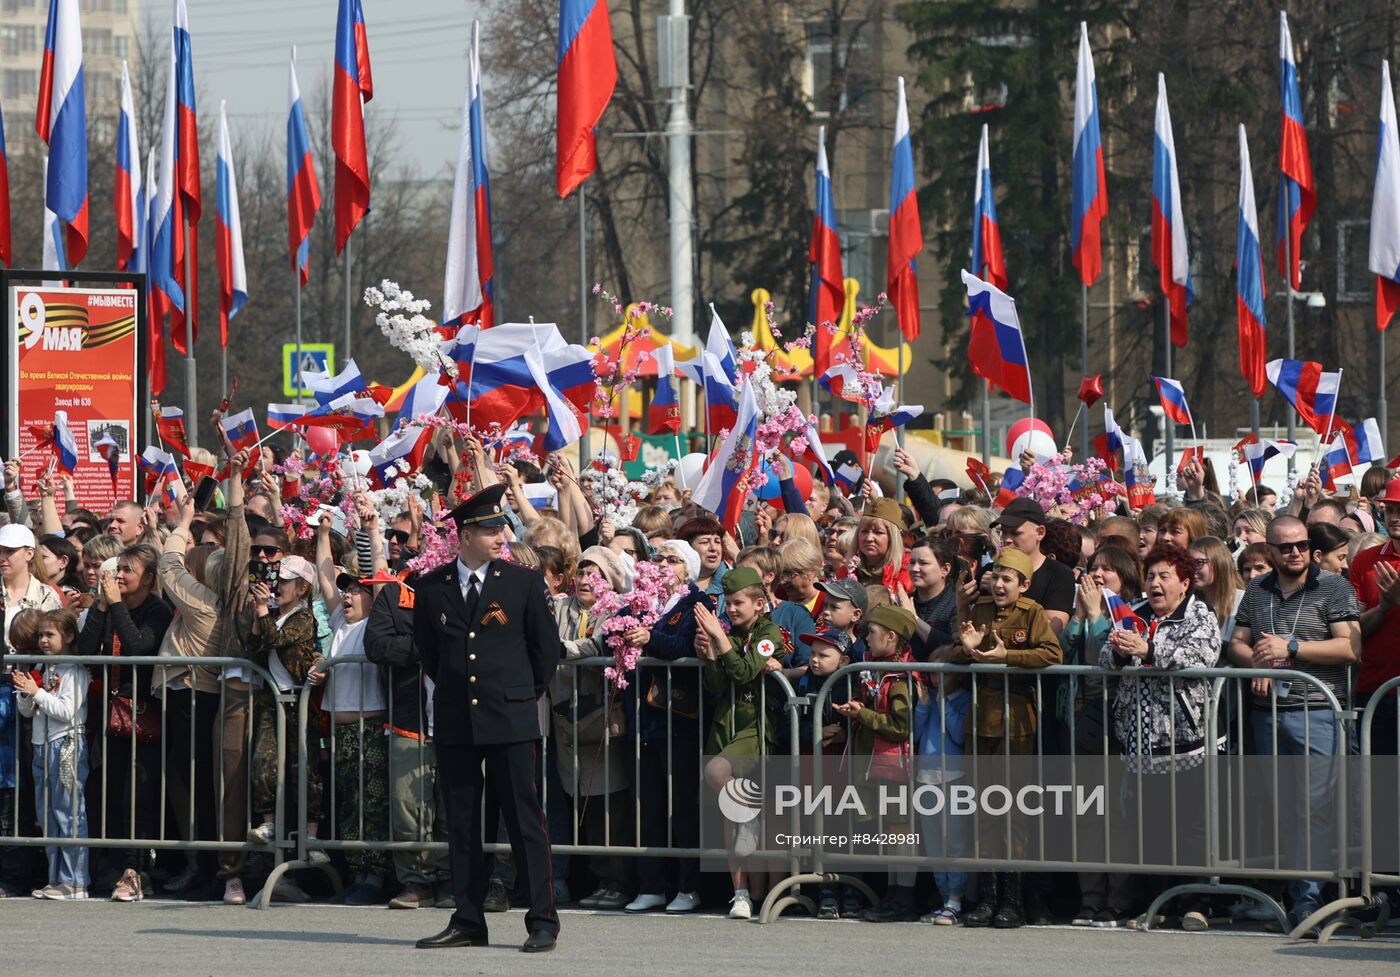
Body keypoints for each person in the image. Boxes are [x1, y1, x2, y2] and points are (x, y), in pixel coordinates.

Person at [412, 484, 562, 953]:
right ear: (464, 534)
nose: (501, 536)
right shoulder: (431, 586)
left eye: (502, 527)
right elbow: (431, 654)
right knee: (461, 822)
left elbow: (546, 651)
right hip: (459, 719)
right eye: (490, 529)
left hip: (511, 716)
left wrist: (521, 694)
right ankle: (468, 919)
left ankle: (541, 920)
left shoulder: (521, 581)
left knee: (524, 821)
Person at [1227, 514, 1361, 929]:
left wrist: (1293, 648)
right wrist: (1259, 665)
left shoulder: (1333, 585)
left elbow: (1350, 647)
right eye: (1286, 547)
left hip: (1318, 712)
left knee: (1313, 809)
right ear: (1270, 550)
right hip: (1267, 716)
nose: (1296, 552)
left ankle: (1309, 900)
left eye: (1302, 545)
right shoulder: (1257, 589)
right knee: (1284, 810)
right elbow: (1236, 643)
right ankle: (1294, 895)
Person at [1098, 544, 1220, 930]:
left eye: (1164, 576)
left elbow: (1201, 659)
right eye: (1151, 575)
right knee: (1150, 828)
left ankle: (1195, 903)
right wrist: (1119, 653)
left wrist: (1149, 649)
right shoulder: (1133, 613)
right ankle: (1157, 903)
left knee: (1190, 826)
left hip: (1187, 741)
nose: (1155, 583)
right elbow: (1104, 660)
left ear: (1184, 582)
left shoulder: (1199, 614)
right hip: (1141, 742)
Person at [951, 547, 1062, 930]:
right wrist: (966, 650)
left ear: (1024, 584)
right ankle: (986, 897)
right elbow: (957, 651)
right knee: (981, 812)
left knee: (1012, 813)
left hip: (1017, 724)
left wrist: (1007, 657)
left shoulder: (1031, 613)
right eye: (995, 576)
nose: (998, 584)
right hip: (980, 722)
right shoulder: (978, 609)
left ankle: (1012, 901)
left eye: (1007, 578)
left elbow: (1052, 653)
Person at [77, 542, 172, 903]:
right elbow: (87, 650)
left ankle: (135, 871)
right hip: (108, 714)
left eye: (127, 570)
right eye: (118, 569)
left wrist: (115, 604)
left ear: (148, 578)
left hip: (144, 715)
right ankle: (115, 864)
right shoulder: (109, 603)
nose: (118, 576)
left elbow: (137, 647)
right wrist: (102, 605)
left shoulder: (157, 610)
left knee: (138, 796)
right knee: (110, 793)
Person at [624, 538, 712, 915]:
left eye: (673, 559)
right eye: (659, 557)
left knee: (683, 805)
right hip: (643, 718)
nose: (663, 564)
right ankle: (651, 884)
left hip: (679, 718)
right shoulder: (642, 600)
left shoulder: (697, 603)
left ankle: (688, 885)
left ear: (688, 569)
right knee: (648, 804)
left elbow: (685, 646)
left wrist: (650, 638)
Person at [696, 566, 787, 921]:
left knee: (722, 775)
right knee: (734, 817)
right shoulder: (729, 634)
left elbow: (745, 671)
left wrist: (720, 641)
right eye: (728, 603)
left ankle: (768, 895)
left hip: (758, 726)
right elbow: (719, 683)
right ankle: (741, 894)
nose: (731, 610)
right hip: (727, 723)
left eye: (738, 603)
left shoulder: (770, 633)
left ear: (759, 603)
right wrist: (708, 654)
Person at [312, 513, 391, 906]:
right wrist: (323, 534)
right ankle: (357, 868)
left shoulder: (375, 620)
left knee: (371, 801)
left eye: (357, 590)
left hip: (371, 728)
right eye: (347, 590)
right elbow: (326, 576)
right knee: (348, 801)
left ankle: (374, 874)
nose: (347, 594)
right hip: (340, 730)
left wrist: (373, 531)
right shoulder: (342, 621)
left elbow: (380, 570)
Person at [834, 603, 919, 922]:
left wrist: (864, 715)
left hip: (898, 768)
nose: (865, 639)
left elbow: (900, 726)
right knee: (890, 834)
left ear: (891, 637)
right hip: (878, 766)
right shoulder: (878, 670)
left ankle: (903, 898)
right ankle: (891, 895)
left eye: (870, 633)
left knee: (901, 834)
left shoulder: (900, 679)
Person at [244, 555, 325, 861]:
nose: (276, 586)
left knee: (305, 768)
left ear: (302, 588)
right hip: (272, 699)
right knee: (264, 762)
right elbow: (253, 651)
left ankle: (311, 836)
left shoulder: (304, 618)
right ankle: (269, 825)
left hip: (299, 701)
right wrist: (258, 617)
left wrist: (264, 611)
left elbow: (278, 641)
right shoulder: (272, 614)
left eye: (284, 581)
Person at [14, 608, 89, 900]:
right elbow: (27, 711)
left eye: (50, 635)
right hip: (40, 745)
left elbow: (66, 711)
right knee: (47, 816)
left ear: (68, 636)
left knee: (69, 814)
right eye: (41, 635)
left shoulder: (75, 669)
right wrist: (25, 693)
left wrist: (37, 693)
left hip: (66, 744)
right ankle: (55, 877)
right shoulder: (45, 669)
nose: (43, 641)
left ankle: (76, 881)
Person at [1351, 479, 1400, 756]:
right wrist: (1383, 607)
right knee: (1379, 786)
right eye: (1390, 510)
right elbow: (1354, 630)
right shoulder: (1364, 561)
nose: (1395, 517)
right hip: (1375, 691)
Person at [991, 498, 1074, 636]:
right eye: (1003, 533)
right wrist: (963, 601)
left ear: (1040, 533)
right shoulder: (991, 571)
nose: (1007, 539)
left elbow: (1052, 631)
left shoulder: (1059, 575)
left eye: (1015, 533)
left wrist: (1009, 592)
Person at [1, 524, 64, 654]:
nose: (2, 558)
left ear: (29, 554)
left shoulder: (46, 595)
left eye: (9, 551)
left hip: (32, 671)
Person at [846, 498, 912, 592]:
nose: (869, 538)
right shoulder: (848, 569)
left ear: (892, 537)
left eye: (878, 532)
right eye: (864, 531)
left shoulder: (908, 568)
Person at [1190, 536, 1245, 644]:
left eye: (1199, 562)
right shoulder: (1188, 604)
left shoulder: (1244, 600)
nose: (1192, 569)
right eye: (1188, 564)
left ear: (1219, 562)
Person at [815, 577, 867, 661]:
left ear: (855, 615)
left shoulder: (860, 655)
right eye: (825, 605)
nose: (825, 612)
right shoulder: (818, 643)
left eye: (834, 607)